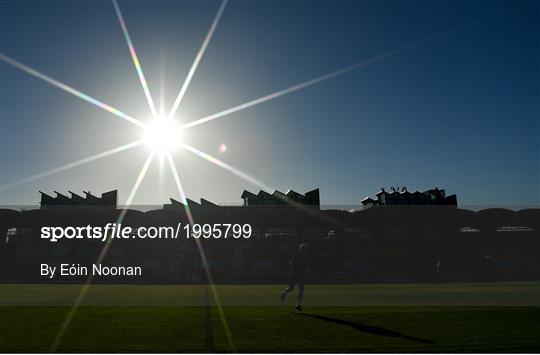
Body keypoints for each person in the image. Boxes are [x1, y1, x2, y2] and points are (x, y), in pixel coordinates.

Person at [280, 243, 309, 311]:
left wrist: (307, 272)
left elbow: (306, 266)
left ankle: (298, 304)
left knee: (301, 290)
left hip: (302, 275)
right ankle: (284, 293)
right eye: (304, 249)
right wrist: (297, 265)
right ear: (302, 249)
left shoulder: (306, 257)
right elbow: (291, 263)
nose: (305, 250)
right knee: (290, 289)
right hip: (294, 275)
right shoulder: (296, 256)